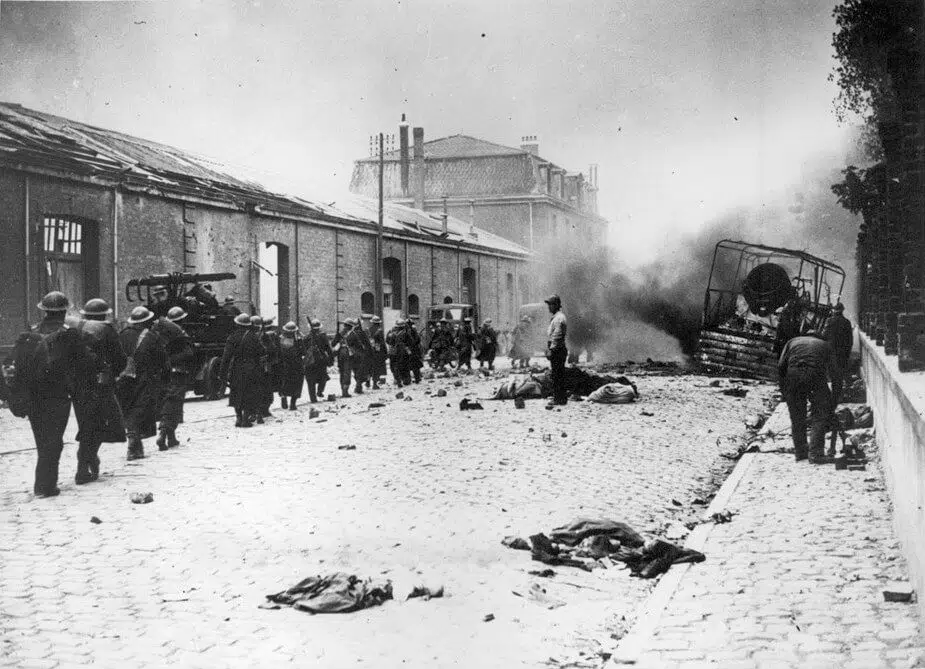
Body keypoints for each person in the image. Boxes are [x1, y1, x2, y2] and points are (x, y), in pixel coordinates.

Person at [9, 291, 92, 497]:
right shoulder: (69, 334)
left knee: (42, 439)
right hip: (57, 395)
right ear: (64, 312)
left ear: (44, 311)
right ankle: (45, 486)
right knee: (54, 440)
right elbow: (84, 364)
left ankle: (44, 483)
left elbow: (14, 363)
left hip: (33, 395)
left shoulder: (30, 333)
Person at [72, 298, 127, 484]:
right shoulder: (107, 329)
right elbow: (120, 359)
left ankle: (86, 462)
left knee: (86, 424)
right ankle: (86, 462)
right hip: (101, 386)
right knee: (106, 423)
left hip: (78, 386)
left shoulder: (77, 328)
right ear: (105, 314)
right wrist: (113, 374)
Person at [117, 306, 169, 460]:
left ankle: (136, 446)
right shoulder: (152, 337)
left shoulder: (123, 334)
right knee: (141, 409)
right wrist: (165, 379)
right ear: (146, 321)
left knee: (129, 408)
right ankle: (133, 439)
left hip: (124, 378)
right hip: (145, 379)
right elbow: (163, 360)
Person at [778, 331, 835, 464]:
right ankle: (816, 453)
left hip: (793, 376)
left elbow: (781, 366)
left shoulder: (792, 342)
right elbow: (835, 373)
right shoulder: (825, 345)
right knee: (820, 414)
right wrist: (833, 399)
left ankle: (800, 452)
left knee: (797, 416)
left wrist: (784, 391)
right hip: (815, 375)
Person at [153, 306, 195, 451]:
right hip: (179, 372)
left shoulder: (164, 335)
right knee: (175, 403)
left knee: (168, 400)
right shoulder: (180, 335)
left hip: (166, 374)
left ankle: (171, 437)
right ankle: (164, 434)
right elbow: (189, 354)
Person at [219, 313, 265, 427]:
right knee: (249, 393)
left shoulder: (232, 337)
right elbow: (262, 351)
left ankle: (238, 418)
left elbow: (226, 357)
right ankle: (246, 419)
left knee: (236, 393)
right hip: (251, 368)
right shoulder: (253, 336)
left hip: (236, 368)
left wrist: (222, 373)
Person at [822, 302, 853, 405]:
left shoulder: (829, 321)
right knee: (840, 375)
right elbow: (850, 340)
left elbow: (824, 335)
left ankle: (833, 397)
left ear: (834, 310)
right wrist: (847, 353)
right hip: (843, 353)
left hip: (831, 353)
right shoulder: (847, 322)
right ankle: (837, 396)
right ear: (842, 310)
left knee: (832, 374)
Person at [545, 295, 568, 407]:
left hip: (557, 349)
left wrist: (551, 349)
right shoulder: (557, 317)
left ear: (556, 305)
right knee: (558, 374)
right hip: (558, 349)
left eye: (550, 304)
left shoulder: (559, 318)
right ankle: (560, 397)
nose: (549, 307)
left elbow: (557, 335)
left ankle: (559, 398)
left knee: (557, 375)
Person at [303, 319, 333, 403]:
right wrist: (331, 359)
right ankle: (320, 391)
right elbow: (328, 348)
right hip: (321, 360)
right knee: (323, 377)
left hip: (310, 361)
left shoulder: (306, 337)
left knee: (310, 381)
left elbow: (303, 350)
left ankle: (313, 398)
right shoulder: (323, 336)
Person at [277, 321, 305, 410]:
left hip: (284, 365)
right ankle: (293, 404)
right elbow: (303, 351)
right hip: (296, 365)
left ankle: (283, 397)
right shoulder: (298, 340)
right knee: (297, 384)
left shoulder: (280, 339)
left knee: (284, 382)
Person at [387, 319, 412, 387]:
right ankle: (406, 380)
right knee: (405, 365)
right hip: (403, 351)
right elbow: (410, 342)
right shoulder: (406, 333)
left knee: (395, 365)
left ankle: (397, 379)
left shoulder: (392, 333)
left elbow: (389, 341)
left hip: (395, 351)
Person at [353, 316, 374, 393]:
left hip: (354, 355)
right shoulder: (363, 333)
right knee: (364, 370)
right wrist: (371, 353)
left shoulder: (351, 334)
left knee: (356, 371)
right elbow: (368, 344)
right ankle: (360, 385)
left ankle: (359, 385)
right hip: (363, 355)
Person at [367, 316, 387, 389]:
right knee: (377, 368)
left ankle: (367, 381)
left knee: (369, 367)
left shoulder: (368, 330)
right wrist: (385, 352)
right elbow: (382, 343)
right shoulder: (379, 331)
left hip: (369, 351)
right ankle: (375, 384)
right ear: (378, 323)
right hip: (377, 352)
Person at [406, 318, 423, 383]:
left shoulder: (406, 331)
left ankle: (409, 379)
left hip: (410, 350)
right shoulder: (413, 331)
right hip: (414, 350)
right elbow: (418, 340)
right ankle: (417, 378)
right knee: (415, 366)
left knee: (409, 365)